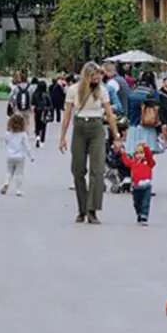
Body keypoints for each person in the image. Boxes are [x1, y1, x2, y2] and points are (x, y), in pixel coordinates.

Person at [58, 62, 122, 224]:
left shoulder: (102, 90)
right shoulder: (73, 90)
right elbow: (66, 115)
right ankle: (82, 207)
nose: (97, 79)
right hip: (79, 126)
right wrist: (62, 137)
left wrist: (116, 136)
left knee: (97, 169)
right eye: (94, 76)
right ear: (86, 76)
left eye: (99, 76)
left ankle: (92, 209)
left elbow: (109, 113)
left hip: (96, 127)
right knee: (78, 169)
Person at [115, 141, 156, 225]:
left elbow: (150, 158)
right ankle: (139, 213)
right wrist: (123, 153)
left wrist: (146, 148)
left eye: (142, 153)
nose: (140, 155)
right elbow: (126, 161)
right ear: (134, 155)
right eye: (137, 153)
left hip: (146, 185)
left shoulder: (148, 163)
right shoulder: (133, 163)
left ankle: (144, 215)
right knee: (136, 202)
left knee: (145, 202)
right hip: (136, 186)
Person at [0, 110, 32, 196]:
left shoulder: (8, 134)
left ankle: (6, 182)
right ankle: (18, 190)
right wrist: (31, 156)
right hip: (20, 156)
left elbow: (6, 142)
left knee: (9, 171)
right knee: (19, 173)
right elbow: (27, 147)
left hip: (10, 156)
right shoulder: (23, 134)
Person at [31, 77, 53, 147]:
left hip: (37, 111)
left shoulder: (35, 94)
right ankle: (42, 141)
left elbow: (32, 103)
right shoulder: (47, 94)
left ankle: (37, 137)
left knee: (37, 125)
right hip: (44, 111)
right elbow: (51, 105)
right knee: (43, 126)